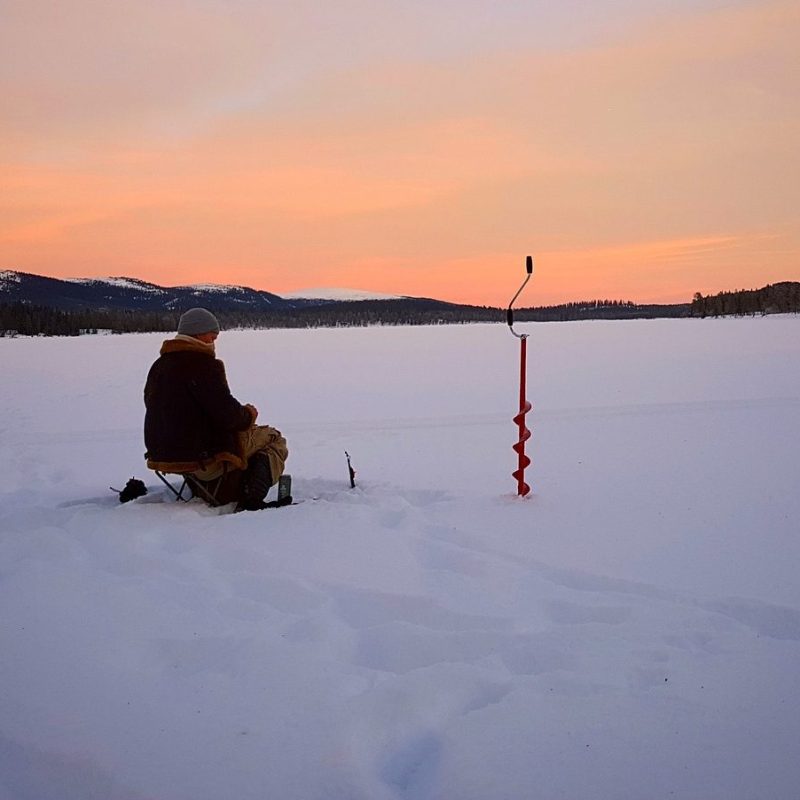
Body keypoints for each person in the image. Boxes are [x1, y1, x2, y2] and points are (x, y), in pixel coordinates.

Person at [144, 308, 288, 510]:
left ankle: (215, 488)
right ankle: (252, 497)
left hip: (165, 454)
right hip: (201, 456)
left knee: (250, 435)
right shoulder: (202, 365)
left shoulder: (159, 366)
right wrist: (249, 414)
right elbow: (228, 415)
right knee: (273, 438)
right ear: (197, 333)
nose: (214, 341)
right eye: (212, 336)